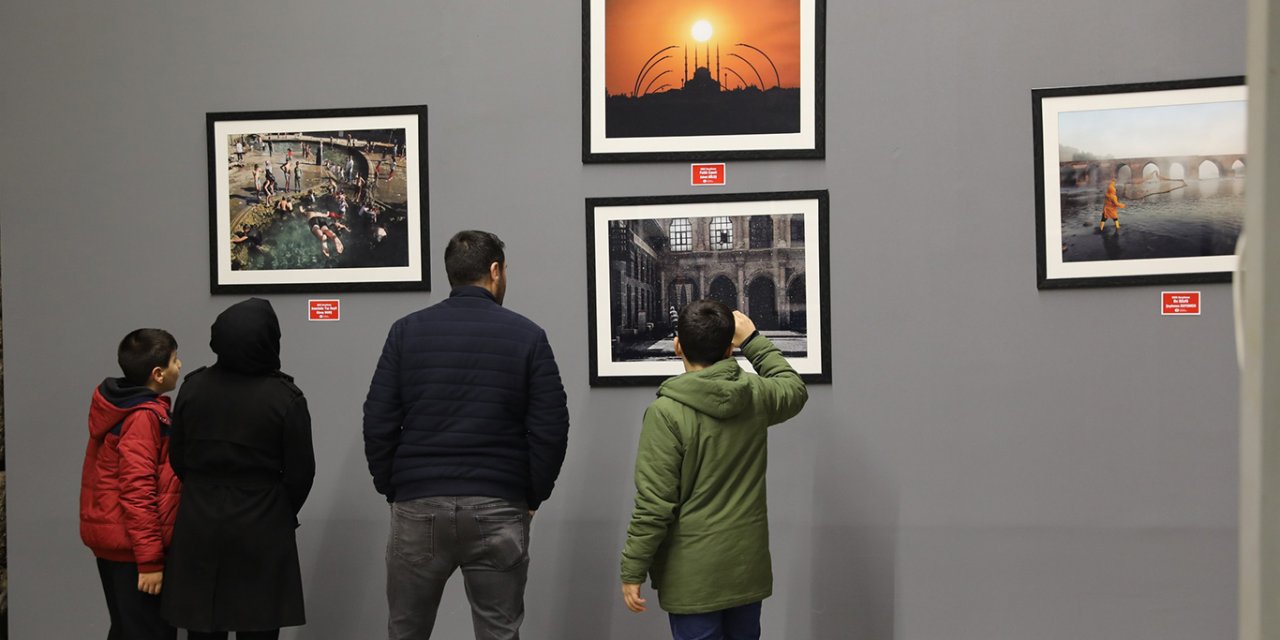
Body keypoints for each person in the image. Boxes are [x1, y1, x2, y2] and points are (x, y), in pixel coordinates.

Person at [363, 230, 570, 640]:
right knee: (499, 631)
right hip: (498, 504)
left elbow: (378, 420)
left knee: (406, 630)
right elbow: (551, 428)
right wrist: (532, 495)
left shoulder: (405, 332)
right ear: (495, 271)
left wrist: (395, 487)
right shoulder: (528, 335)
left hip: (418, 503)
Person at [619, 301, 808, 640]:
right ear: (729, 349)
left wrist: (633, 569)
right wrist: (752, 340)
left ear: (678, 346)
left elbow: (654, 505)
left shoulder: (666, 413)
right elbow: (793, 387)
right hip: (745, 569)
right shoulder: (754, 395)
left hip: (692, 577)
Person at [161, 298, 316, 640]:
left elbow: (178, 457)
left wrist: (204, 488)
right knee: (259, 626)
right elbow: (301, 473)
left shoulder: (193, 387)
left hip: (199, 520)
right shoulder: (286, 398)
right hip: (263, 524)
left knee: (202, 625)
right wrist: (279, 510)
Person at [80, 328, 184, 640]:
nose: (179, 365)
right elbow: (138, 490)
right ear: (158, 373)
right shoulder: (143, 416)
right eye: (175, 360)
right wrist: (150, 561)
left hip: (118, 544)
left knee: (126, 630)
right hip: (135, 551)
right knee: (148, 631)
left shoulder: (119, 405)